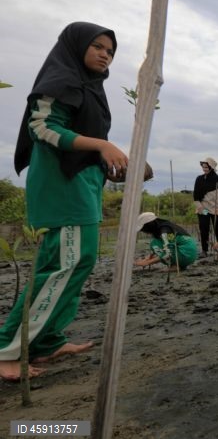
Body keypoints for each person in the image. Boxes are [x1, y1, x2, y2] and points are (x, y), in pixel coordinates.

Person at [1, 22, 126, 381]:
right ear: (76, 46)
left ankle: (47, 340)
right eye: (98, 46)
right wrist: (103, 146)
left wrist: (109, 162)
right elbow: (42, 128)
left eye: (111, 51)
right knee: (64, 264)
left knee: (80, 260)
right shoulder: (59, 81)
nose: (105, 54)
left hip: (83, 184)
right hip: (61, 186)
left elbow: (86, 138)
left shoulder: (90, 89)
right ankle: (9, 349)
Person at [193, 157, 218, 257]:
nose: (204, 169)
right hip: (204, 210)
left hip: (216, 210)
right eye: (203, 167)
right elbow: (196, 196)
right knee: (204, 229)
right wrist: (200, 207)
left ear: (211, 167)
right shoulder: (199, 179)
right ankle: (204, 250)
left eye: (206, 167)